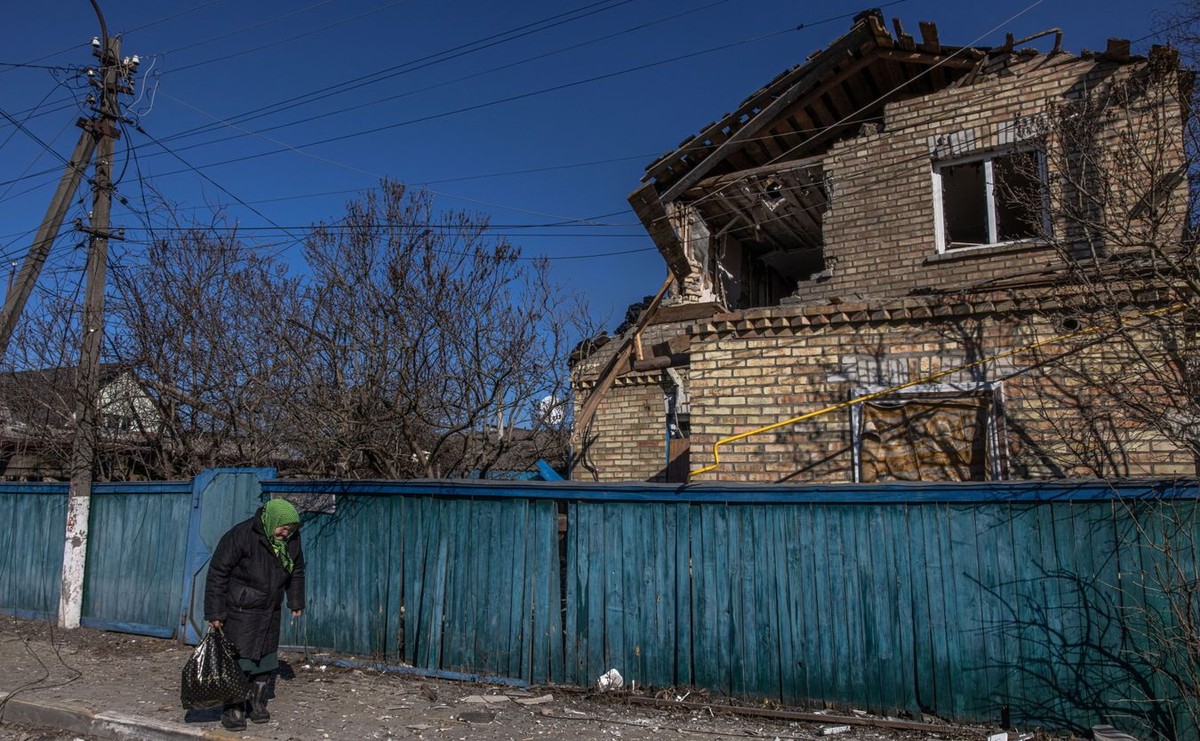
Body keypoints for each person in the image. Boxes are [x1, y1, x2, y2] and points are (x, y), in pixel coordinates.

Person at [203, 498, 305, 731]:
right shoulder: (240, 535)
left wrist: (296, 600)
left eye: (291, 528)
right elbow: (218, 573)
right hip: (241, 610)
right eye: (283, 526)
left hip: (270, 610)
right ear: (272, 521)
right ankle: (233, 709)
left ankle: (256, 704)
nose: (286, 532)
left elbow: (297, 569)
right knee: (239, 661)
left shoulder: (291, 541)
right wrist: (215, 612)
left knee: (266, 660)